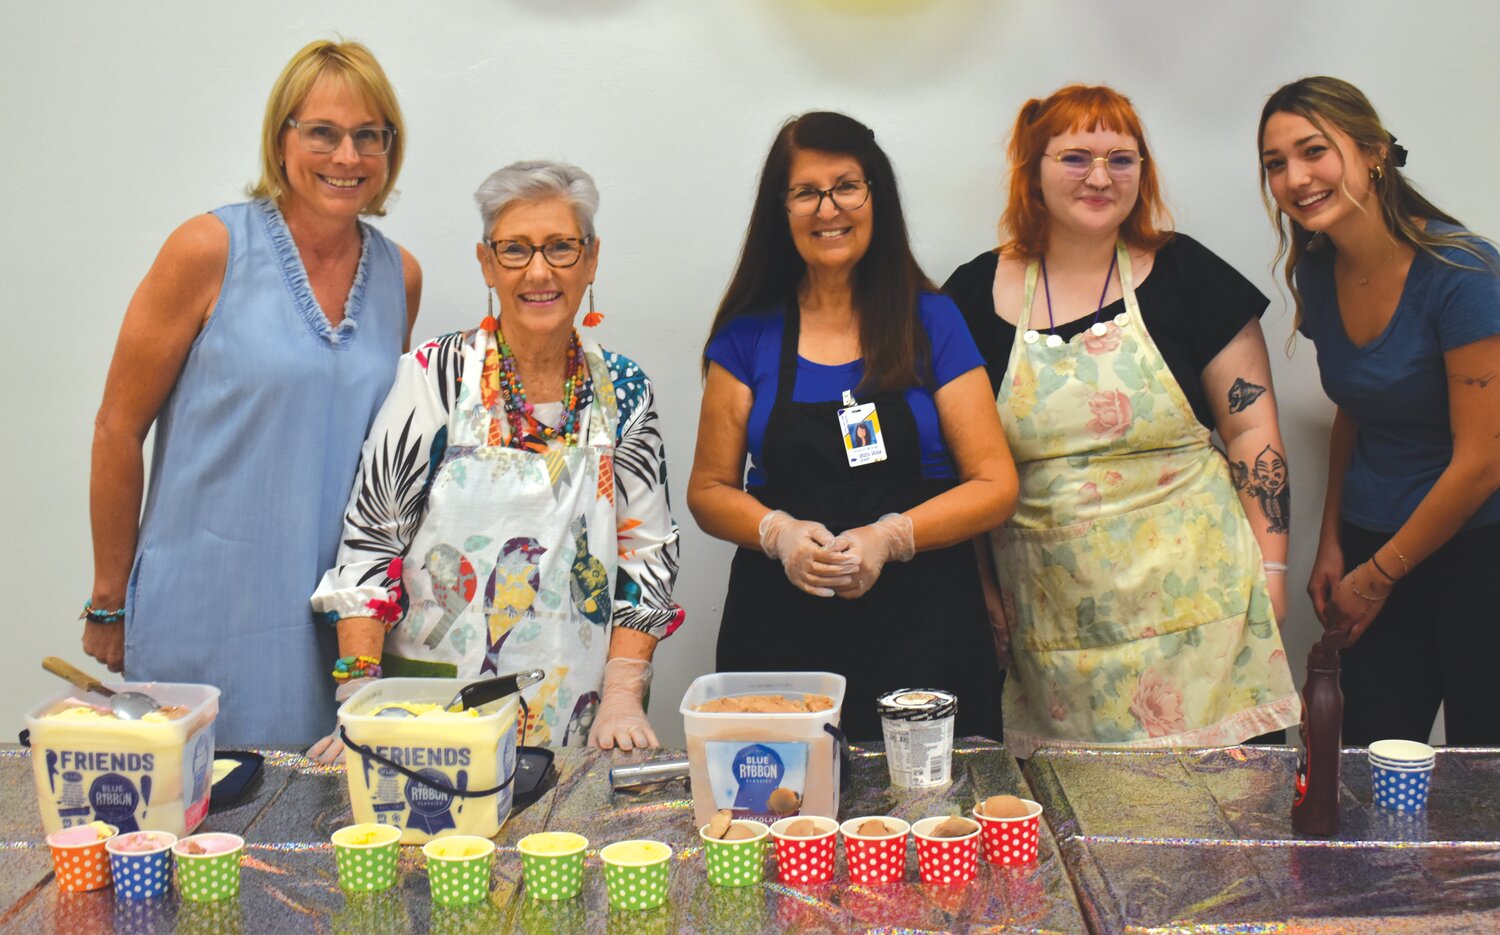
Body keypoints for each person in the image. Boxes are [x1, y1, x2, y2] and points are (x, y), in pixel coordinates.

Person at [83, 40, 421, 747]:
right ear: (281, 137)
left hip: (335, 624)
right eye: (322, 132)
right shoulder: (206, 250)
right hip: (203, 607)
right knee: (195, 833)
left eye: (370, 136)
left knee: (326, 834)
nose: (347, 157)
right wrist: (110, 600)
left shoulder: (401, 277)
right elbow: (118, 428)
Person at [943, 85, 1299, 758]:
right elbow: (958, 466)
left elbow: (1252, 432)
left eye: (1122, 158)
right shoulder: (971, 295)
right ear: (1033, 170)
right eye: (1076, 157)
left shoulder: (1189, 274)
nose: (1101, 177)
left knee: (1226, 840)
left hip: (1207, 624)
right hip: (1055, 640)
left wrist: (1274, 572)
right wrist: (982, 587)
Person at [309, 161, 682, 760]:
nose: (539, 271)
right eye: (515, 250)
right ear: (486, 262)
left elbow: (648, 557)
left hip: (579, 713)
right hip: (432, 721)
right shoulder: (437, 375)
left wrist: (621, 694)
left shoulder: (623, 388)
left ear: (590, 260)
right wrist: (360, 699)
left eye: (561, 247)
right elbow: (373, 542)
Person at [688, 112, 1018, 742]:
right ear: (780, 210)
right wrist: (778, 533)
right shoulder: (747, 334)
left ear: (877, 199)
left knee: (929, 819)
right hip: (781, 631)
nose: (827, 208)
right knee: (782, 819)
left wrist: (892, 537)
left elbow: (996, 483)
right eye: (805, 192)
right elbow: (708, 490)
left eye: (846, 186)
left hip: (926, 623)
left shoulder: (933, 321)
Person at [1258, 77, 1500, 746]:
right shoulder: (1317, 268)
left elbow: (1482, 462)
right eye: (1276, 163)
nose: (1295, 177)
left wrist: (1378, 573)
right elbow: (1355, 409)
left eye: (1313, 151)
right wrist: (1334, 537)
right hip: (1371, 543)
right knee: (1361, 766)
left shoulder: (1463, 271)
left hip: (1478, 554)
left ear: (1372, 153)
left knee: (1481, 779)